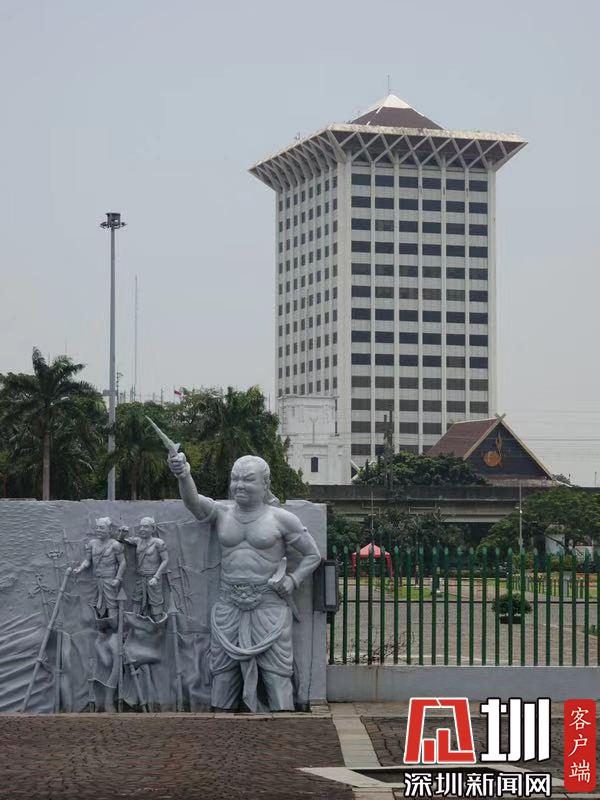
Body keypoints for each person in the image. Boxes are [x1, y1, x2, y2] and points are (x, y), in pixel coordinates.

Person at [168, 452, 321, 712]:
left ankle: (285, 724)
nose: (239, 485)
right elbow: (193, 503)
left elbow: (313, 555)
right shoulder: (222, 512)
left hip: (269, 607)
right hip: (229, 606)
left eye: (248, 479)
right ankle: (220, 724)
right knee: (223, 675)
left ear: (265, 483)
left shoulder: (281, 518)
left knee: (277, 675)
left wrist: (293, 580)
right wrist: (184, 474)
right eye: (235, 479)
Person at [73, 517, 126, 622]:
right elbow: (87, 561)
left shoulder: (115, 545)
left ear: (110, 529)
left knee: (112, 604)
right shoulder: (92, 543)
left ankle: (114, 627)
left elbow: (123, 562)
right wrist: (80, 568)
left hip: (109, 580)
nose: (98, 530)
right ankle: (99, 626)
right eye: (97, 527)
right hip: (96, 579)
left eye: (102, 528)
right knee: (94, 603)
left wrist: (118, 578)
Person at [118, 517, 169, 621]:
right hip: (141, 577)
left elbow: (165, 560)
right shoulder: (138, 541)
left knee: (156, 603)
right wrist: (122, 533)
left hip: (153, 577)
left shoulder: (158, 543)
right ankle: (135, 625)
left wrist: (156, 577)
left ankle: (158, 625)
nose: (142, 529)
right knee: (136, 600)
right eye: (141, 526)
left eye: (145, 526)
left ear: (153, 529)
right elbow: (121, 540)